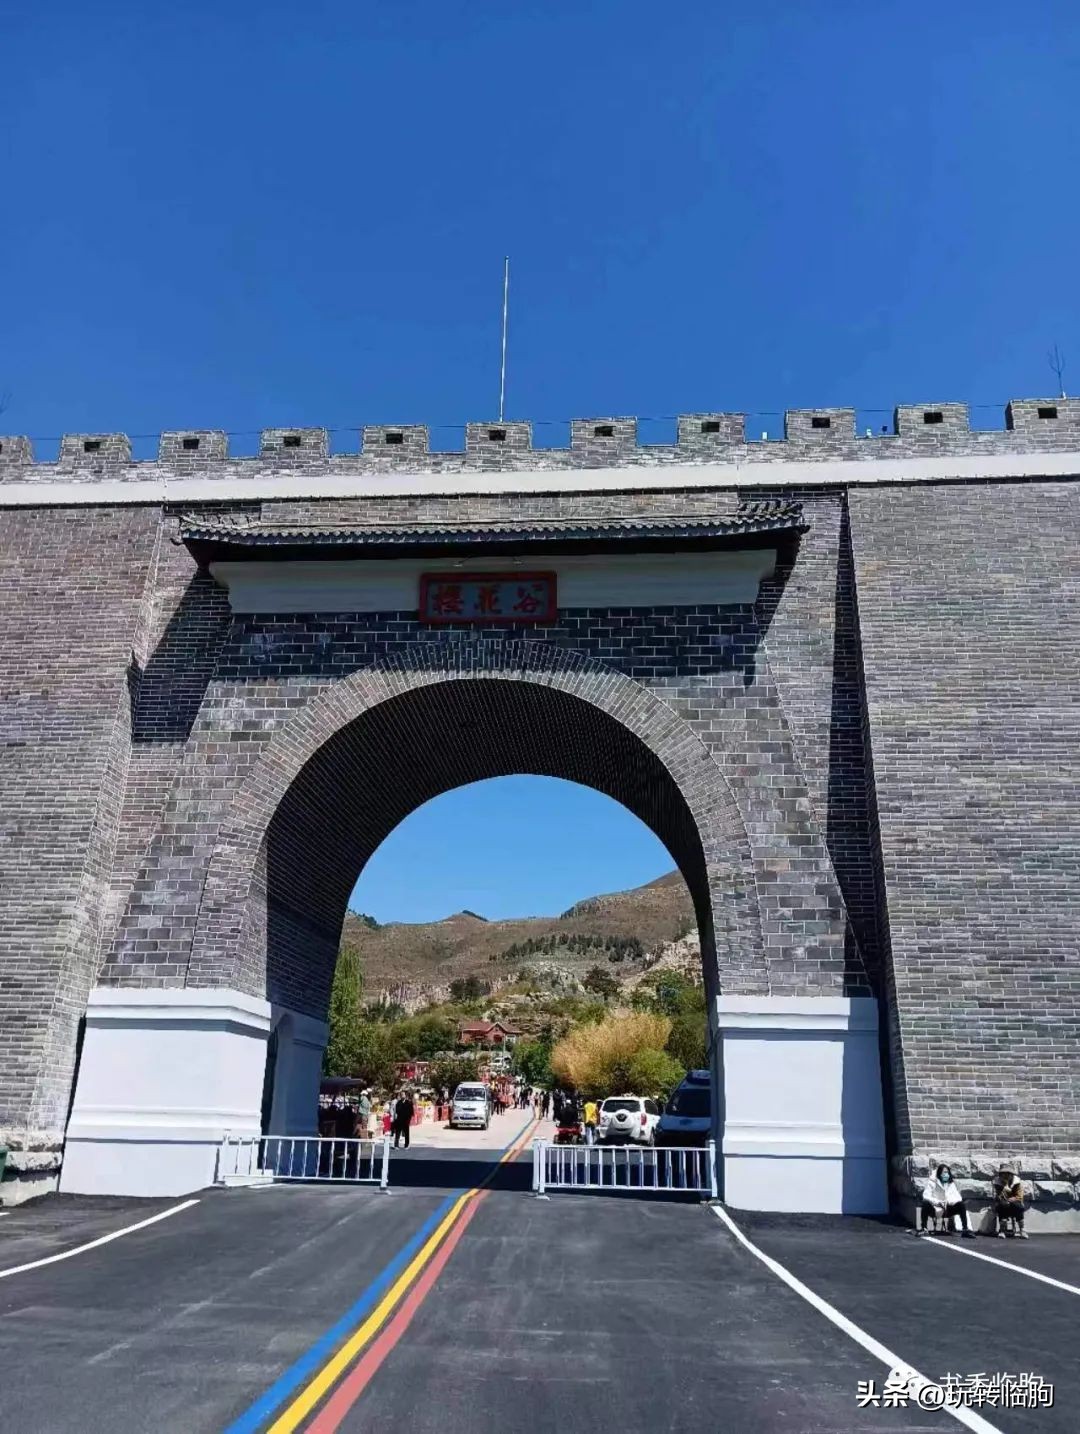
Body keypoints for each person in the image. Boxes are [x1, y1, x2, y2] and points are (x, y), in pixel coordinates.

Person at [914, 1163, 975, 1237]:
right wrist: (938, 1202)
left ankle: (965, 1229)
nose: (946, 1174)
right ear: (940, 1173)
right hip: (935, 1208)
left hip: (947, 1208)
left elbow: (958, 1197)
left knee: (961, 1205)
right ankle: (923, 1228)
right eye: (944, 1172)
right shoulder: (932, 1182)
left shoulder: (950, 1183)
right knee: (925, 1203)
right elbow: (926, 1196)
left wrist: (949, 1201)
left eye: (947, 1172)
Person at [993, 1166, 1028, 1238]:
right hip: (1003, 1204)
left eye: (1007, 1174)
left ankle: (1022, 1230)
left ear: (1011, 1175)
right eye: (1003, 1174)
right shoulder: (997, 1183)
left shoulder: (1017, 1183)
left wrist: (1011, 1199)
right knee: (1003, 1205)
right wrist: (1004, 1187)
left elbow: (1019, 1196)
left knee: (1019, 1207)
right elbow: (998, 1196)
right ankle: (1002, 1230)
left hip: (1014, 1203)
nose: (1005, 1176)